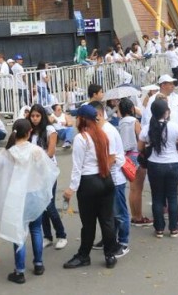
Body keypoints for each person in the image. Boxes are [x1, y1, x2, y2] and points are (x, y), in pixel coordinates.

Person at [0, 119, 58, 284]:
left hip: (16, 196)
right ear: (29, 132)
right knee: (36, 229)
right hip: (33, 194)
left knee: (18, 232)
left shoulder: (8, 153)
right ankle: (39, 264)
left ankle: (19, 271)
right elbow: (46, 171)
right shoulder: (36, 151)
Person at [62, 104, 118, 270]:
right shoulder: (102, 134)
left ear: (82, 119)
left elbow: (77, 167)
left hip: (89, 182)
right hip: (106, 179)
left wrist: (71, 189)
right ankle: (110, 254)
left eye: (77, 117)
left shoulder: (82, 138)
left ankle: (84, 255)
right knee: (107, 220)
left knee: (88, 223)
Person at [139, 99, 178, 238]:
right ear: (166, 112)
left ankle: (159, 229)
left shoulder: (147, 128)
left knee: (157, 197)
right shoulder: (174, 126)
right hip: (173, 164)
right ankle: (174, 228)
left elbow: (139, 147)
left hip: (155, 164)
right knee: (172, 196)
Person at [28, 105, 67, 251]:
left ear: (42, 116)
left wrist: (35, 155)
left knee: (49, 204)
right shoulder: (30, 131)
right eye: (32, 116)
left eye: (38, 116)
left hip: (48, 171)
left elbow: (50, 152)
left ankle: (62, 235)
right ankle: (47, 236)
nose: (35, 119)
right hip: (34, 172)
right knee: (40, 205)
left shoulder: (50, 130)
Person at [96, 103, 129, 257]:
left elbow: (112, 157)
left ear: (100, 115)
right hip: (108, 177)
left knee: (119, 213)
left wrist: (101, 174)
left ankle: (123, 242)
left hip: (115, 178)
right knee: (109, 212)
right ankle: (110, 239)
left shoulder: (108, 131)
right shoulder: (100, 130)